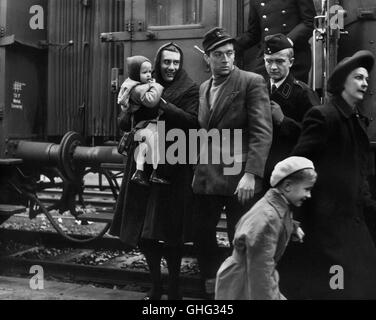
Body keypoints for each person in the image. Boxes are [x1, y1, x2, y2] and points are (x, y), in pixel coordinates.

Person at [110, 43, 199, 300]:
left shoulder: (190, 89)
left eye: (175, 62)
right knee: (143, 230)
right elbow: (122, 121)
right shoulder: (141, 85)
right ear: (158, 62)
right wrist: (129, 110)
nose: (171, 67)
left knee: (171, 233)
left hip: (173, 165)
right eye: (166, 62)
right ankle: (156, 284)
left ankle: (173, 287)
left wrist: (162, 105)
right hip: (142, 165)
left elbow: (194, 122)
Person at [192, 27, 273, 298]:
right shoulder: (204, 88)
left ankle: (236, 290)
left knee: (239, 237)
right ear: (207, 58)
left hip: (239, 178)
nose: (226, 59)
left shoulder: (251, 81)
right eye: (219, 54)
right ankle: (212, 283)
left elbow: (262, 131)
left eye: (230, 53)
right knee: (202, 233)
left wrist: (251, 173)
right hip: (208, 175)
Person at [291, 50, 376, 299]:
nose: (364, 83)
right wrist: (296, 217)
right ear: (343, 83)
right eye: (358, 77)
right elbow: (298, 164)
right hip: (326, 225)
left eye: (366, 79)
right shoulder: (323, 116)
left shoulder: (356, 120)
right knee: (335, 287)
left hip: (352, 219)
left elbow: (359, 174)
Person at [215, 156, 317, 300]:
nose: (309, 195)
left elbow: (278, 217)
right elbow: (260, 274)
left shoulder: (274, 204)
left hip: (249, 276)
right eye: (307, 189)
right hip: (244, 283)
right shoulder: (268, 220)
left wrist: (292, 227)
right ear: (287, 186)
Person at [263, 33, 320, 186]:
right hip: (263, 172)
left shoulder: (303, 93)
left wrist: (284, 121)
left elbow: (316, 135)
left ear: (291, 62)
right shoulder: (260, 89)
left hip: (290, 174)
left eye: (280, 61)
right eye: (269, 61)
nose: (273, 67)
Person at [117, 55, 169, 186]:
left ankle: (139, 172)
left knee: (144, 148)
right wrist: (156, 86)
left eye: (150, 72)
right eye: (144, 72)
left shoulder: (133, 86)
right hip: (146, 126)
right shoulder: (137, 89)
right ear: (135, 74)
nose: (148, 75)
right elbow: (151, 101)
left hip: (141, 126)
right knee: (157, 147)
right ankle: (155, 173)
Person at [236, 0, 316, 83]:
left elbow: (309, 22)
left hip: (293, 59)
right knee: (257, 89)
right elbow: (253, 34)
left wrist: (285, 42)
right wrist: (231, 44)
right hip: (267, 60)